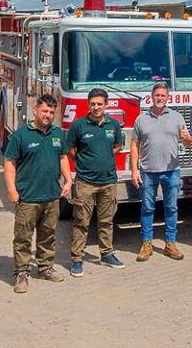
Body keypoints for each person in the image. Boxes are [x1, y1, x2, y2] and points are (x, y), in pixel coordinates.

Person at [4, 94, 72, 294]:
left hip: (51, 196)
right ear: (35, 110)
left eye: (51, 112)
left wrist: (68, 180)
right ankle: (22, 273)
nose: (48, 115)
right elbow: (9, 164)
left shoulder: (57, 134)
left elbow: (63, 158)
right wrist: (11, 189)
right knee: (23, 237)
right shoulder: (21, 135)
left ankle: (45, 267)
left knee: (48, 235)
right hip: (28, 198)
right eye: (44, 111)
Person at [65, 88, 125, 278]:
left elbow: (117, 147)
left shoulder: (113, 125)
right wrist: (87, 163)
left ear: (105, 105)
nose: (96, 107)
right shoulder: (78, 126)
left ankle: (107, 253)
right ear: (88, 105)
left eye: (100, 104)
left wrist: (104, 158)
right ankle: (76, 259)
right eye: (93, 104)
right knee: (82, 222)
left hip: (108, 182)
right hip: (85, 183)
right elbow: (71, 150)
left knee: (107, 221)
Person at [130, 82, 192, 261]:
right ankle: (146, 243)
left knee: (171, 208)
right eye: (157, 95)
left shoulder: (177, 117)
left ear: (168, 98)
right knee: (147, 208)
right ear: (151, 96)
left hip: (171, 171)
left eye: (163, 96)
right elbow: (134, 145)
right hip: (148, 172)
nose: (160, 98)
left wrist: (188, 140)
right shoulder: (141, 119)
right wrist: (134, 170)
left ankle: (170, 244)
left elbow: (186, 142)